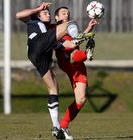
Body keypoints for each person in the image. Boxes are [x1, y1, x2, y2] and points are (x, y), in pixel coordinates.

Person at [16, 2, 92, 139]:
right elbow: (18, 15)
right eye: (45, 13)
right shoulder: (34, 21)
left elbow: (71, 44)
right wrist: (37, 9)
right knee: (71, 23)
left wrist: (84, 36)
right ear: (37, 16)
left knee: (53, 88)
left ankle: (56, 127)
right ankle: (60, 126)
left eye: (48, 13)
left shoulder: (51, 34)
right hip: (38, 44)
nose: (47, 14)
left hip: (40, 56)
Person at [54, 6, 98, 140]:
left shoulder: (72, 27)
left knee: (81, 99)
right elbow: (71, 44)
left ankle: (63, 126)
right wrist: (82, 38)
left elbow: (77, 39)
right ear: (57, 17)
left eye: (67, 12)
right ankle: (86, 53)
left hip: (78, 66)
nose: (66, 14)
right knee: (72, 53)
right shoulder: (55, 32)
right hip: (67, 62)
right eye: (63, 13)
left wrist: (89, 28)